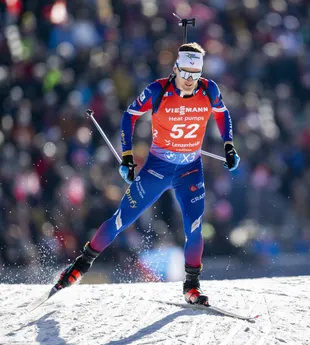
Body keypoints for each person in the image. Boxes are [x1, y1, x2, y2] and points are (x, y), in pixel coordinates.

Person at [53, 42, 240, 305]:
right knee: (121, 220)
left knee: (195, 229)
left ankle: (192, 286)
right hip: (157, 168)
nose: (188, 81)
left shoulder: (209, 90)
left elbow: (222, 114)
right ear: (175, 68)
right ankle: (80, 265)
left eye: (194, 76)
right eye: (184, 73)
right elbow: (129, 116)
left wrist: (229, 145)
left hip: (190, 170)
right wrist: (128, 156)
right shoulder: (158, 89)